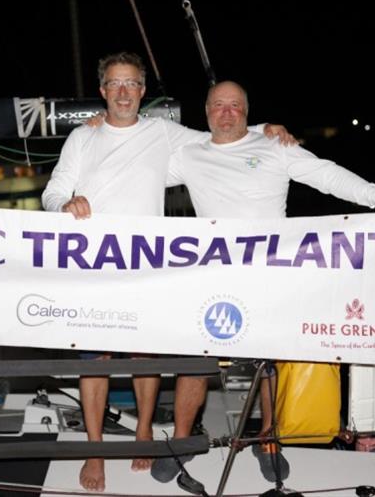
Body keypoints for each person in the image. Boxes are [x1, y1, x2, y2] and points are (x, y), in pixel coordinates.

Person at [41, 53, 295, 492]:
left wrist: (265, 130)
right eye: (115, 84)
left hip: (145, 266)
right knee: (96, 359)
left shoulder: (161, 132)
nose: (123, 92)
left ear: (143, 91)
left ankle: (143, 433)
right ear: (103, 91)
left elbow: (218, 135)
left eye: (132, 84)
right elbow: (53, 190)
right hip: (93, 264)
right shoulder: (83, 137)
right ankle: (95, 449)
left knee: (144, 354)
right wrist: (64, 204)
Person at [150, 80, 375, 484]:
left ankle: (268, 440)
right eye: (219, 105)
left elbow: (325, 173)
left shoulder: (274, 147)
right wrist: (103, 135)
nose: (227, 112)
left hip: (271, 276)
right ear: (206, 112)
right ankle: (183, 441)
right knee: (194, 364)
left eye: (235, 106)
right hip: (211, 277)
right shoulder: (189, 154)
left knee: (268, 364)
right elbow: (135, 177)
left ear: (247, 112)